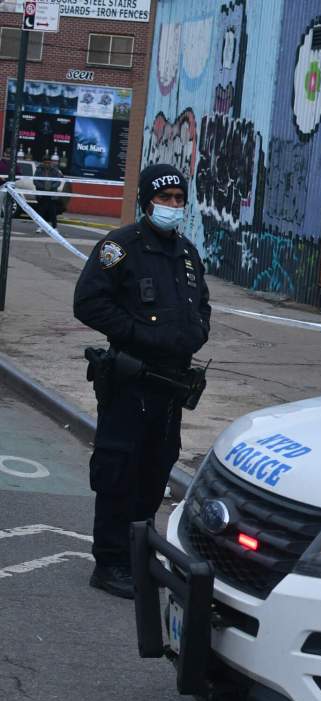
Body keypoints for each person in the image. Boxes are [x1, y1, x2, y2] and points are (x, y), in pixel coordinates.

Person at [73, 164, 211, 598]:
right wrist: (140, 333)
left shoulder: (186, 252)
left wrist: (196, 332)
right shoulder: (121, 247)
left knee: (156, 469)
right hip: (132, 380)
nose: (172, 206)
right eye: (164, 198)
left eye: (178, 199)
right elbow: (88, 302)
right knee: (120, 470)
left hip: (170, 386)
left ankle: (138, 553)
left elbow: (201, 305)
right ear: (145, 201)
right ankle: (110, 561)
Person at [33, 158, 64, 229]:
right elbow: (35, 181)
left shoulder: (55, 170)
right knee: (41, 211)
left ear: (51, 163)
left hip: (51, 195)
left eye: (48, 163)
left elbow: (58, 181)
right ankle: (40, 226)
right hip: (42, 194)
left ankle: (54, 227)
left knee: (52, 211)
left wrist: (51, 187)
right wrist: (42, 187)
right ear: (43, 163)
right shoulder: (39, 170)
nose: (47, 164)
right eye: (45, 163)